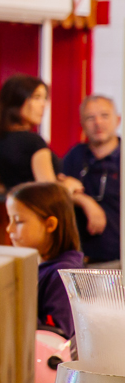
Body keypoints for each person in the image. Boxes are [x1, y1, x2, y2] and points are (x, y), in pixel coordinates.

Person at [6, 182, 81, 338]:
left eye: (18, 221)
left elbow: (56, 337)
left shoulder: (62, 274)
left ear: (50, 224)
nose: (9, 229)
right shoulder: (40, 266)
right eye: (9, 220)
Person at [61, 95, 121, 266]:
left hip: (118, 261)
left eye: (104, 116)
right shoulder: (74, 156)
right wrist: (85, 201)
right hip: (79, 260)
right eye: (90, 118)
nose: (98, 123)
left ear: (118, 120)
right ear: (82, 124)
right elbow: (58, 190)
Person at [0, 75, 60, 190]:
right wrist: (67, 187)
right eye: (36, 97)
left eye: (44, 98)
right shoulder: (34, 142)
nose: (44, 105)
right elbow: (49, 193)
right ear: (17, 100)